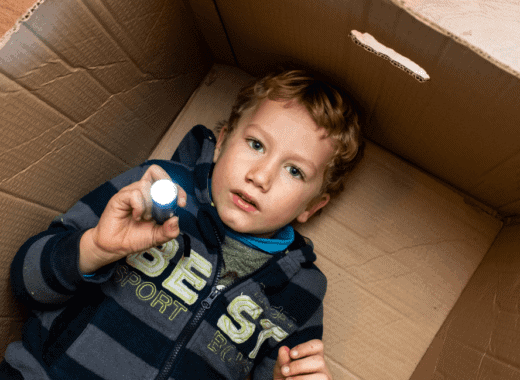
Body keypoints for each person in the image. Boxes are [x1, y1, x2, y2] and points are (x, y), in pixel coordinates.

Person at [3, 69, 363, 379]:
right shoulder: (154, 188)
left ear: (312, 206)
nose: (261, 176)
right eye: (255, 144)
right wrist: (95, 248)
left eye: (294, 170)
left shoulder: (303, 289)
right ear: (222, 142)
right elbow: (24, 280)